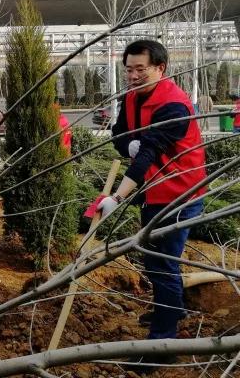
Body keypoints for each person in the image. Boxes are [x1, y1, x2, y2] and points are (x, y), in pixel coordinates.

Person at [96, 40, 206, 372]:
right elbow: (119, 135)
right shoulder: (131, 97)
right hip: (154, 191)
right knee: (156, 262)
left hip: (180, 195)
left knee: (162, 265)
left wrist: (117, 197)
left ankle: (163, 344)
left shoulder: (174, 106)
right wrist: (128, 145)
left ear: (160, 68)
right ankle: (170, 310)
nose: (133, 76)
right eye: (128, 69)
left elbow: (148, 154)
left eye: (140, 69)